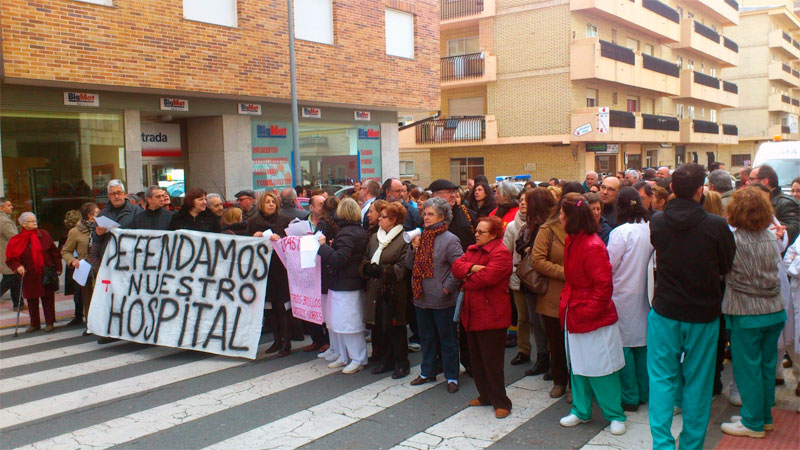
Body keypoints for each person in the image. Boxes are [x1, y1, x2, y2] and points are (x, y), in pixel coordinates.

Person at [648, 163, 736, 450]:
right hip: (703, 312)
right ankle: (691, 445)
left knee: (661, 380)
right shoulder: (716, 225)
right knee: (698, 383)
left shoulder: (658, 221)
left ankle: (662, 444)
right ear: (701, 190)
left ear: (672, 188)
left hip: (666, 310)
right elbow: (726, 264)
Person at [557, 193, 627, 436]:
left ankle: (615, 414)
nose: (559, 218)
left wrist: (588, 312)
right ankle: (581, 409)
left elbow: (603, 286)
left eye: (562, 214)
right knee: (578, 365)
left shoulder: (592, 245)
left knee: (602, 368)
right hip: (576, 310)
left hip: (591, 315)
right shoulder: (573, 240)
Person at [720, 187, 787, 438]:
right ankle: (763, 416)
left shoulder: (734, 240)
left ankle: (752, 422)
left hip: (746, 311)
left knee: (748, 369)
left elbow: (724, 271)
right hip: (774, 309)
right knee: (767, 367)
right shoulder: (771, 237)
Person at [453, 216, 514, 419]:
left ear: (494, 234)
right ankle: (485, 395)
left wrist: (466, 277)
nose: (476, 234)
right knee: (477, 360)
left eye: (481, 232)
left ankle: (501, 401)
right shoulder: (472, 250)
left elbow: (487, 278)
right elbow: (456, 268)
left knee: (492, 363)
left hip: (492, 315)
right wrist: (472, 269)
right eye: (476, 231)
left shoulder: (501, 253)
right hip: (472, 313)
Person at [406, 197, 464, 392]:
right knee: (427, 337)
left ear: (442, 216)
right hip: (421, 297)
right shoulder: (420, 237)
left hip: (442, 300)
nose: (426, 217)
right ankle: (427, 371)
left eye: (431, 214)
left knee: (447, 339)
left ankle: (451, 376)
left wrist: (446, 289)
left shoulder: (450, 239)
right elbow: (409, 264)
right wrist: (413, 249)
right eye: (425, 214)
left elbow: (459, 269)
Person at [607, 187, 652, 412]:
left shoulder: (620, 232)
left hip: (623, 294)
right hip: (647, 293)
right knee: (643, 345)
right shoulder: (650, 228)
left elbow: (609, 264)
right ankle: (644, 392)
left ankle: (630, 396)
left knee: (624, 346)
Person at [317, 198, 368, 374]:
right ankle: (346, 355)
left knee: (349, 324)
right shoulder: (356, 231)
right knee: (341, 322)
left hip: (346, 283)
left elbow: (339, 259)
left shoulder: (347, 233)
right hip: (347, 282)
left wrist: (324, 247)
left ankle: (357, 358)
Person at [362, 202, 411, 379]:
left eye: (384, 217)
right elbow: (366, 257)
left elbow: (404, 266)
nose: (379, 219)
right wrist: (367, 268)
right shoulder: (375, 237)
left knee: (396, 328)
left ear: (394, 219)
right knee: (381, 326)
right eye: (380, 216)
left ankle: (401, 363)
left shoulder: (404, 238)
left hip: (394, 291)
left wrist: (385, 270)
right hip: (376, 289)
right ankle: (386, 359)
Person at [531, 192, 569, 398]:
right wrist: (565, 272)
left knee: (578, 344)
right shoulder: (548, 229)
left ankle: (577, 385)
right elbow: (537, 260)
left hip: (580, 295)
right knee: (556, 341)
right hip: (554, 294)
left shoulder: (587, 229)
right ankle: (559, 380)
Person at [516, 188, 557, 377]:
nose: (524, 204)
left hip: (545, 280)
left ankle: (554, 361)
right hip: (530, 279)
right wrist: (527, 249)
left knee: (545, 322)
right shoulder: (529, 225)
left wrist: (531, 250)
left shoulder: (550, 226)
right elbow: (519, 244)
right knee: (535, 321)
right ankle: (542, 357)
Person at [247, 191, 293, 356]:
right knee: (269, 307)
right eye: (267, 202)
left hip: (281, 269)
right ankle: (277, 340)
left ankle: (286, 342)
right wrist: (254, 237)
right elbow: (246, 245)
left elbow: (291, 242)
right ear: (261, 205)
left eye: (273, 202)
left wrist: (280, 238)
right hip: (264, 270)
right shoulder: (253, 223)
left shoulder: (284, 220)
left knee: (282, 306)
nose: (271, 204)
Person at [5, 212, 61, 333]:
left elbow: (54, 252)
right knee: (31, 299)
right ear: (23, 224)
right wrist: (18, 266)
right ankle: (34, 324)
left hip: (46, 272)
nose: (35, 222)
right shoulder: (17, 239)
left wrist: (58, 267)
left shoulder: (44, 234)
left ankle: (50, 322)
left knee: (48, 298)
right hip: (29, 273)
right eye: (31, 221)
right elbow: (11, 258)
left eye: (35, 220)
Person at [504, 189, 531, 367]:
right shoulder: (512, 226)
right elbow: (505, 250)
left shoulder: (540, 225)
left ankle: (545, 353)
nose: (522, 203)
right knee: (522, 317)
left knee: (538, 319)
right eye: (521, 200)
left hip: (536, 276)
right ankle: (524, 350)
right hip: (517, 275)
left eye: (526, 201)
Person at [61, 202, 98, 331]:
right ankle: (90, 326)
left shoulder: (101, 228)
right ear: (89, 216)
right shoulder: (75, 232)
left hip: (100, 268)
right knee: (87, 298)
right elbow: (66, 251)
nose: (99, 215)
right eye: (97, 213)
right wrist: (73, 261)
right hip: (86, 270)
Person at [749, 164, 800, 246]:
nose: (748, 182)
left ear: (765, 181)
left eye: (751, 179)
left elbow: (795, 228)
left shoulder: (787, 203)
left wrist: (782, 231)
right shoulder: (748, 201)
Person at [0, 197, 21, 311]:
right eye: (8, 205)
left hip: (5, 254)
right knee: (10, 279)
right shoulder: (4, 221)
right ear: (1, 208)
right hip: (7, 254)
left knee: (15, 279)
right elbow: (14, 238)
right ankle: (18, 303)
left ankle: (18, 303)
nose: (12, 207)